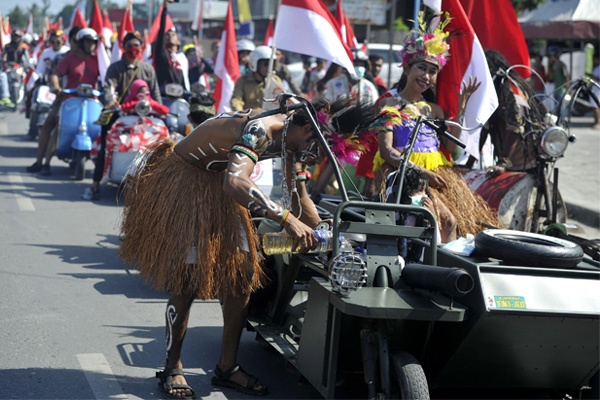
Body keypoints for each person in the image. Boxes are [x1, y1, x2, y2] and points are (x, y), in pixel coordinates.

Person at [118, 96, 374, 399]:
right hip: (188, 183)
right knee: (188, 281)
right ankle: (172, 367)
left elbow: (299, 199)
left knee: (242, 276)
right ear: (308, 130)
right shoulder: (259, 130)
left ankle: (227, 367)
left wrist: (325, 228)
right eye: (320, 148)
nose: (319, 158)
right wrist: (288, 221)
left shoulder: (293, 143)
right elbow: (236, 184)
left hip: (221, 185)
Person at [370, 14, 497, 241]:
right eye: (421, 68)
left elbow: (449, 146)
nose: (427, 76)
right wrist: (422, 173)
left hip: (435, 177)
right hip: (401, 178)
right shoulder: (389, 105)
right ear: (407, 68)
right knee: (433, 223)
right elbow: (386, 151)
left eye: (432, 71)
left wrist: (462, 106)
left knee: (451, 223)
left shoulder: (435, 111)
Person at [82, 30, 162, 200]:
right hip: (120, 113)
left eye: (136, 45)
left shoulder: (148, 69)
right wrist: (112, 101)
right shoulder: (115, 68)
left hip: (144, 116)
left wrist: (159, 110)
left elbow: (155, 94)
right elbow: (108, 88)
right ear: (123, 48)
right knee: (106, 141)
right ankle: (96, 183)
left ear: (141, 48)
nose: (133, 48)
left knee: (163, 141)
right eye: (129, 45)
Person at [26, 27, 99, 176]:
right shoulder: (69, 59)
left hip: (91, 102)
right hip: (68, 100)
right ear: (80, 42)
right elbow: (55, 74)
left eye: (93, 42)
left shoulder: (98, 60)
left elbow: (106, 77)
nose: (91, 45)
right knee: (54, 122)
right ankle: (43, 162)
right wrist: (57, 87)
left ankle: (102, 166)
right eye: (88, 41)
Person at [230, 45, 284, 111]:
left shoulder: (275, 80)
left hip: (271, 119)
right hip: (249, 118)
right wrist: (241, 115)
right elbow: (236, 100)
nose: (269, 67)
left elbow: (283, 100)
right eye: (266, 64)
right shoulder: (242, 81)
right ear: (255, 64)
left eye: (272, 64)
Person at [154, 0, 189, 92]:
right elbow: (161, 30)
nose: (170, 36)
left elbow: (184, 79)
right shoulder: (162, 54)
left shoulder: (182, 58)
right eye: (167, 35)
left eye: (173, 35)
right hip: (164, 96)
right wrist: (165, 9)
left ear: (178, 42)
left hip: (180, 96)